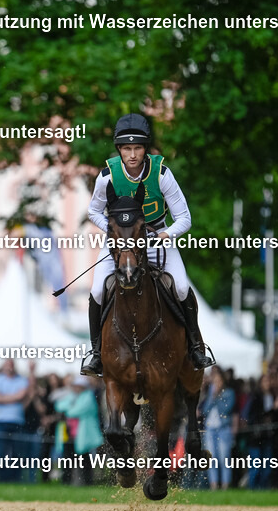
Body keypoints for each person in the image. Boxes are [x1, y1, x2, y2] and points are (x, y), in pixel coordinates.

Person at [81, 112, 215, 377]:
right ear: (119, 149)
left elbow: (185, 218)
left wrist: (166, 236)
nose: (132, 155)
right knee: (97, 291)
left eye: (138, 148)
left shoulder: (162, 173)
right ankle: (96, 353)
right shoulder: (107, 176)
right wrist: (113, 231)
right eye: (127, 148)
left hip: (156, 238)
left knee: (180, 286)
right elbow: (92, 211)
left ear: (145, 149)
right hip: (120, 244)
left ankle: (196, 347)